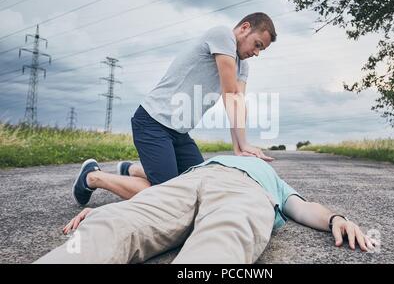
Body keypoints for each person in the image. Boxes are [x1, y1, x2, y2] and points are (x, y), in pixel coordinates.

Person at [72, 13, 277, 206]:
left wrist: (239, 149)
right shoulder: (223, 36)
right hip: (153, 123)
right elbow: (230, 94)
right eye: (257, 44)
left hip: (179, 134)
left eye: (262, 50)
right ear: (245, 28)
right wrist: (244, 144)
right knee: (170, 197)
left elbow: (238, 102)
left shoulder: (243, 66)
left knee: (199, 185)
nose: (256, 53)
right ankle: (92, 177)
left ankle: (131, 170)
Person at [38, 155, 378, 264]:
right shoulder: (211, 158)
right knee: (114, 222)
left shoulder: (273, 179)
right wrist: (118, 208)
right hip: (190, 181)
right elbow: (155, 195)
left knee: (222, 241)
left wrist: (336, 218)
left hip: (246, 192)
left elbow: (304, 209)